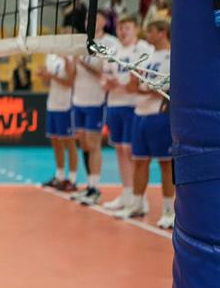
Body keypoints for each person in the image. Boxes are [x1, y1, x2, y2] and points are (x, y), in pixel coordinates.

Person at [115, 16, 173, 228]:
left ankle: (169, 210)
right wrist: (138, 86)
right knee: (139, 160)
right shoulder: (147, 56)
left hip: (159, 115)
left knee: (165, 163)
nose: (146, 35)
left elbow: (164, 90)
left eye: (150, 31)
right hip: (139, 114)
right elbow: (134, 87)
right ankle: (137, 204)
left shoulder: (172, 56)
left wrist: (142, 88)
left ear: (162, 32)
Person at [101, 15, 153, 212]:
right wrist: (115, 83)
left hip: (133, 106)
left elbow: (137, 83)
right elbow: (104, 80)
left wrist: (119, 84)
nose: (123, 31)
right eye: (120, 28)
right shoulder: (114, 51)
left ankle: (140, 198)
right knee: (120, 150)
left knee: (133, 152)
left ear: (136, 29)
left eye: (127, 28)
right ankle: (127, 193)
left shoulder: (144, 49)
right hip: (114, 105)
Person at [69, 18, 114, 205]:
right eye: (87, 18)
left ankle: (95, 188)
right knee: (84, 144)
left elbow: (101, 71)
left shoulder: (108, 43)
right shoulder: (80, 42)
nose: (89, 21)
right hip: (78, 99)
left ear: (103, 22)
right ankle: (89, 186)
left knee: (93, 144)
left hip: (95, 101)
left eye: (95, 18)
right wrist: (71, 62)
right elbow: (72, 74)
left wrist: (82, 61)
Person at [39, 53, 79, 192]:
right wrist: (44, 76)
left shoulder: (69, 57)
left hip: (66, 105)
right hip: (52, 104)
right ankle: (59, 176)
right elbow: (46, 83)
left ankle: (72, 179)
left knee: (69, 142)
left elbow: (70, 83)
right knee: (55, 141)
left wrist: (52, 76)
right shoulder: (50, 56)